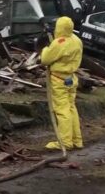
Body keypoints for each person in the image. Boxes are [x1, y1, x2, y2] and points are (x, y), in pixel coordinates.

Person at [40, 15, 84, 150]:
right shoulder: (76, 40)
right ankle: (77, 141)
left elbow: (45, 60)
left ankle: (65, 142)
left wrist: (45, 49)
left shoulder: (59, 43)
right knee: (71, 108)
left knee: (62, 111)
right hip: (71, 78)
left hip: (59, 80)